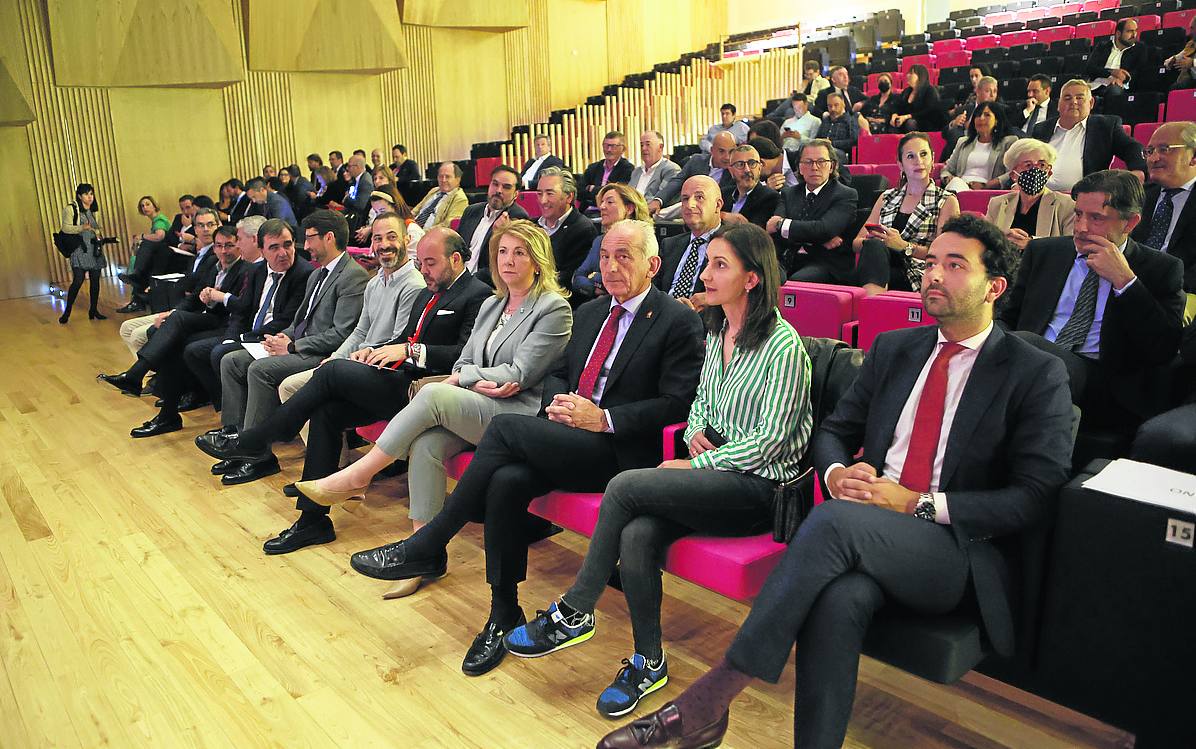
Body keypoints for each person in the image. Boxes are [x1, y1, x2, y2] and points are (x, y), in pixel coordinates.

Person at [597, 214, 1075, 749]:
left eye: (954, 265)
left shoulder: (1034, 372)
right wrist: (838, 471)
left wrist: (917, 502)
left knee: (829, 523)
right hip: (866, 527)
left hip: (954, 547)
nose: (934, 274)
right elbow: (833, 432)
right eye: (931, 262)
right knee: (837, 601)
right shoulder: (897, 348)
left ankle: (709, 700)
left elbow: (1034, 497)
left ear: (996, 287)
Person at [347, 218, 706, 669]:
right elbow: (560, 371)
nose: (611, 266)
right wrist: (559, 401)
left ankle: (429, 542)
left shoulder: (676, 320)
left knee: (502, 431)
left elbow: (677, 403)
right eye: (606, 256)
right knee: (507, 481)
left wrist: (605, 418)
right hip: (569, 435)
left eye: (624, 257)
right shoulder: (592, 312)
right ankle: (503, 611)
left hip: (620, 451)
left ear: (653, 265)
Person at [506, 222, 813, 719]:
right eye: (708, 262)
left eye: (719, 266)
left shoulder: (781, 345)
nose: (705, 275)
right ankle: (650, 661)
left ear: (752, 279)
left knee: (627, 486)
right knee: (639, 536)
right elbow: (699, 406)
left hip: (761, 489)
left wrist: (699, 461)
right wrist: (694, 437)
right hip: (715, 475)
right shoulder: (718, 331)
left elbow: (771, 442)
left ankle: (576, 608)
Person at [205, 227, 491, 553]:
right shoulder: (429, 291)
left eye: (430, 263)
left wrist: (409, 352)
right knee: (327, 412)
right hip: (401, 382)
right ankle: (313, 521)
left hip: (432, 394)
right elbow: (406, 341)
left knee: (335, 371)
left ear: (455, 259)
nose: (423, 270)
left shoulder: (477, 295)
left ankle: (262, 435)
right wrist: (377, 352)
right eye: (421, 262)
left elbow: (464, 356)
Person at [283, 220, 572, 538]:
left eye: (519, 253)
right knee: (425, 444)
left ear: (537, 260)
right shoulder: (492, 304)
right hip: (479, 401)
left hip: (518, 413)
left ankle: (358, 476)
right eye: (503, 251)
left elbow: (519, 374)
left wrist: (464, 378)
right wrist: (469, 378)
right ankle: (424, 548)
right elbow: (463, 361)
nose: (508, 260)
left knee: (434, 392)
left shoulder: (553, 308)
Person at [999, 169, 1185, 428]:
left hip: (1102, 381)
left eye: (1096, 218)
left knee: (1024, 348)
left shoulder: (1160, 268)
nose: (1081, 228)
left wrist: (1125, 282)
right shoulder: (1045, 252)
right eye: (1077, 214)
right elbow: (1007, 316)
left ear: (1130, 223)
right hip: (1031, 363)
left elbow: (1163, 348)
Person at [205, 209, 368, 445]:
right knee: (231, 361)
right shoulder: (318, 274)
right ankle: (233, 431)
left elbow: (342, 334)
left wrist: (292, 346)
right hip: (300, 346)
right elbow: (299, 322)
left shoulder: (352, 276)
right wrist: (282, 337)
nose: (306, 245)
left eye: (310, 238)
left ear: (329, 238)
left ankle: (253, 447)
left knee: (259, 370)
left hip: (321, 354)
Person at [119, 225, 250, 437]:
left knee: (176, 332)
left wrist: (218, 296)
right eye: (219, 246)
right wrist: (172, 313)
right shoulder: (213, 266)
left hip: (225, 325)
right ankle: (167, 413)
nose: (224, 251)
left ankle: (140, 376)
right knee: (166, 334)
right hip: (206, 320)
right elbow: (192, 298)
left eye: (229, 245)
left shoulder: (245, 270)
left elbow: (243, 309)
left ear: (239, 246)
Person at [182, 218, 313, 413]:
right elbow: (243, 311)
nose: (283, 253)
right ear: (262, 250)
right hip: (249, 334)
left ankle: (239, 417)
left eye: (287, 244)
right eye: (274, 247)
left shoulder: (303, 273)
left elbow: (287, 320)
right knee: (193, 350)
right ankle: (227, 409)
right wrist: (230, 338)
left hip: (272, 337)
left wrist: (244, 338)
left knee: (221, 354)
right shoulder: (256, 270)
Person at [854, 132, 961, 296]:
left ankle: (871, 310)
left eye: (923, 154)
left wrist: (904, 246)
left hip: (918, 273)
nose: (919, 161)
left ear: (932, 158)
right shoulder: (887, 197)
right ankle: (873, 307)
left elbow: (945, 254)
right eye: (911, 156)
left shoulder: (946, 200)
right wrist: (877, 240)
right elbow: (856, 243)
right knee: (874, 246)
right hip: (878, 265)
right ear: (900, 164)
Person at [766, 139, 859, 283]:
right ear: (800, 167)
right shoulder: (788, 194)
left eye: (821, 161)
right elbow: (773, 231)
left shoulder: (845, 195)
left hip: (826, 263)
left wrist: (782, 225)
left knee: (798, 281)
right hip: (788, 258)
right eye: (808, 162)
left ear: (831, 166)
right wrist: (817, 237)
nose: (814, 167)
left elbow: (824, 229)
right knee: (761, 275)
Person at [1031, 79, 1146, 192]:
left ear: (1091, 103)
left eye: (1079, 97)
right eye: (1067, 98)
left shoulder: (1105, 126)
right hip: (1039, 196)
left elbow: (1131, 147)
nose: (1073, 102)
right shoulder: (1041, 129)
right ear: (1058, 105)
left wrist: (1139, 170)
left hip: (1083, 200)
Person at [1130, 121, 1196, 314]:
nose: (1154, 158)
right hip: (1128, 284)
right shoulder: (1139, 195)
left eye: (1165, 149)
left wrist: (1169, 289)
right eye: (1149, 151)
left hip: (1179, 294)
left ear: (1193, 157)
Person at [986, 138, 1076, 253]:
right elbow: (984, 243)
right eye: (1028, 165)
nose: (1035, 170)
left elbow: (1071, 245)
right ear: (1014, 175)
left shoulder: (1066, 205)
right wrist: (1002, 239)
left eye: (1042, 165)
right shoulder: (997, 203)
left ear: (1049, 173)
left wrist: (1033, 244)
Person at [573, 183, 650, 302]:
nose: (602, 207)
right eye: (602, 202)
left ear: (629, 208)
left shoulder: (645, 241)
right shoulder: (599, 241)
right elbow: (577, 278)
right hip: (599, 305)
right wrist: (595, 288)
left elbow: (631, 281)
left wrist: (596, 277)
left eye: (610, 202)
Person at [655, 175, 722, 310]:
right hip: (664, 317)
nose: (690, 205)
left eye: (699, 197)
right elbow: (654, 289)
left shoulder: (733, 243)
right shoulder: (669, 244)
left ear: (717, 205)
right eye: (685, 199)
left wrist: (714, 296)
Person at [457, 164, 530, 285]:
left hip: (482, 285)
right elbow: (457, 247)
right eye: (495, 184)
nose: (498, 190)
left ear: (516, 194)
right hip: (457, 277)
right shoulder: (472, 211)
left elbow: (501, 266)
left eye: (506, 187)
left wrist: (500, 234)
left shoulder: (517, 217)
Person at [535, 167, 599, 291]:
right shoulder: (532, 226)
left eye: (550, 194)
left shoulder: (583, 230)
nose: (543, 200)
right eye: (539, 193)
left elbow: (568, 279)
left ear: (569, 197)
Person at [59, 183, 111, 324]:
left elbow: (96, 229)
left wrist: (98, 234)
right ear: (79, 196)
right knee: (78, 280)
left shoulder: (93, 211)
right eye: (87, 194)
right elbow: (66, 228)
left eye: (91, 194)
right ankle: (67, 312)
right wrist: (82, 227)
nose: (90, 197)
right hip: (80, 249)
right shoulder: (71, 209)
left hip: (94, 250)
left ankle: (93, 310)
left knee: (95, 280)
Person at [941, 101, 1018, 191]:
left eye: (987, 115)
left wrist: (986, 185)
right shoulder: (963, 142)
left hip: (987, 192)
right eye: (978, 115)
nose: (981, 118)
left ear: (997, 120)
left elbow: (1012, 173)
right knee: (956, 183)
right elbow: (947, 169)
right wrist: (948, 178)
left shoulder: (1008, 142)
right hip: (960, 185)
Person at [116, 195, 173, 314]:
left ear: (154, 205)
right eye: (142, 206)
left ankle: (136, 276)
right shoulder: (155, 220)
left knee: (144, 246)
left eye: (147, 204)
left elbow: (159, 236)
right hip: (160, 255)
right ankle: (136, 289)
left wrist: (142, 236)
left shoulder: (159, 220)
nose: (144, 207)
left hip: (166, 255)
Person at [658, 131, 736, 212]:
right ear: (712, 150)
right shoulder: (696, 161)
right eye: (721, 151)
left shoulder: (735, 170)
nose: (727, 157)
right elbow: (677, 182)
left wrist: (734, 173)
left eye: (731, 152)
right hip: (689, 206)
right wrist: (659, 200)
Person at [721, 143, 781, 229]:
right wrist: (723, 216)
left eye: (752, 163)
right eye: (740, 164)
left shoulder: (771, 197)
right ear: (731, 171)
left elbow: (756, 232)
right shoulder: (723, 194)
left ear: (759, 168)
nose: (747, 170)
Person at [629, 130, 682, 216]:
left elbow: (661, 199)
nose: (643, 148)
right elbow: (627, 195)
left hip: (651, 216)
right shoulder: (636, 171)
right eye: (641, 145)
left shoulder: (671, 169)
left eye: (648, 144)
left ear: (660, 147)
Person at [1086, 19, 1145, 97]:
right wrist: (1111, 72)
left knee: (1114, 91)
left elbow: (1139, 72)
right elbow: (1090, 68)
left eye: (1135, 31)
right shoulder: (1103, 46)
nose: (1134, 35)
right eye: (1129, 31)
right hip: (1096, 85)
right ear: (1118, 34)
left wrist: (1124, 78)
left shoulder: (1139, 49)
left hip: (1119, 86)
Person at [581, 131, 634, 210]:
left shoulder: (627, 169)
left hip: (612, 212)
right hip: (588, 211)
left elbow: (618, 193)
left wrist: (592, 189)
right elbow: (580, 191)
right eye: (606, 146)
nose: (608, 150)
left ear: (623, 149)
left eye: (613, 146)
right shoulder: (593, 167)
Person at [411, 162, 468, 230]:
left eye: (447, 177)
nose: (443, 180)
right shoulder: (434, 190)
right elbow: (415, 210)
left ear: (458, 179)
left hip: (430, 235)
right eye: (441, 176)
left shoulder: (460, 198)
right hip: (413, 228)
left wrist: (422, 233)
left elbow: (448, 225)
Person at [890, 64, 943, 133]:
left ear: (920, 76)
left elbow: (929, 111)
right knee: (892, 124)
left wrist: (907, 116)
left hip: (924, 122)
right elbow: (898, 106)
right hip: (906, 121)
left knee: (910, 123)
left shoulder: (929, 90)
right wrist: (895, 115)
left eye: (911, 73)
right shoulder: (906, 91)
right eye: (908, 73)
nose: (907, 75)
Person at [816, 93, 860, 161]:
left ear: (843, 104)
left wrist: (832, 143)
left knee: (827, 153)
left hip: (841, 152)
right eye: (830, 106)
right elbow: (818, 137)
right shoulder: (826, 120)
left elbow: (854, 141)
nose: (833, 109)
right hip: (822, 150)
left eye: (836, 105)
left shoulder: (850, 120)